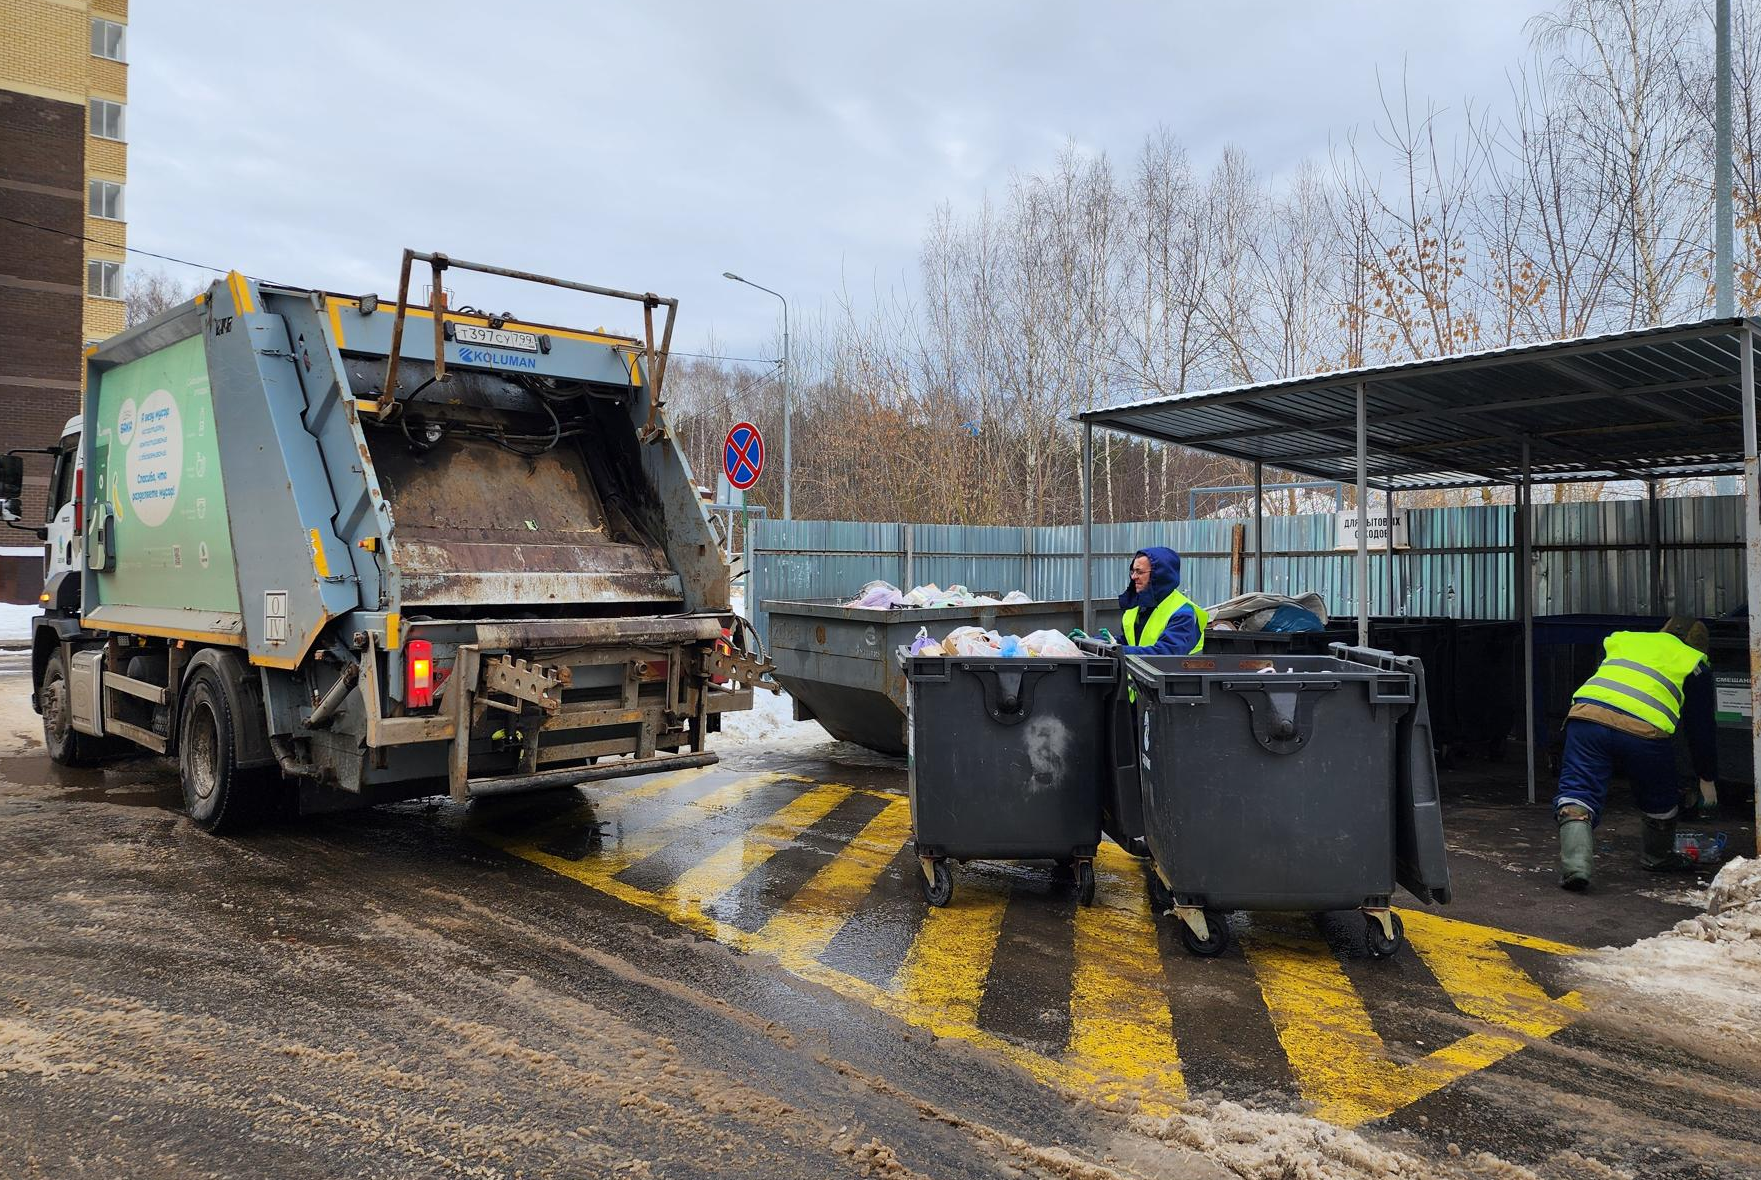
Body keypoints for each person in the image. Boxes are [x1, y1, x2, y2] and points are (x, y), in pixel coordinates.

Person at [1553, 616, 1718, 891]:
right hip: (1643, 731)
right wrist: (1707, 776)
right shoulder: (1694, 662)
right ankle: (1657, 857)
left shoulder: (1626, 640)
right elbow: (1701, 727)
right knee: (1659, 800)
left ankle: (1576, 867)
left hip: (1586, 718)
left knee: (1578, 790)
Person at [1072, 547, 1207, 656]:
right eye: (1133, 571)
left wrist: (1114, 650)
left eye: (1139, 572)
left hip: (1170, 689)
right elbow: (1130, 641)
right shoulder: (1139, 606)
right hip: (1142, 686)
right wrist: (1092, 642)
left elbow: (1166, 654)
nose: (1134, 577)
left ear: (1158, 575)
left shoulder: (1183, 612)